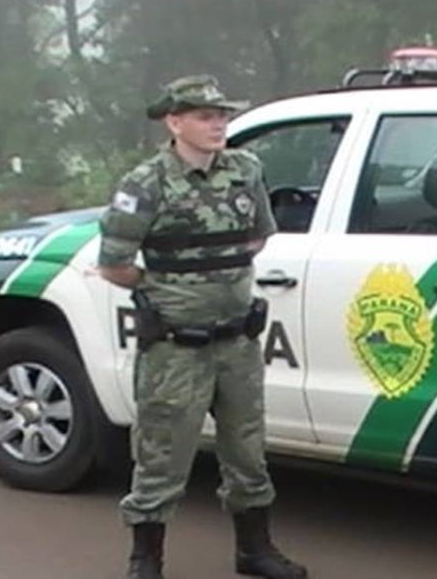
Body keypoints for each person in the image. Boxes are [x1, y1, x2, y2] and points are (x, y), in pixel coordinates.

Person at [96, 74, 307, 579]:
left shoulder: (245, 169)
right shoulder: (144, 184)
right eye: (205, 116)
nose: (218, 125)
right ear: (175, 122)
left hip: (237, 341)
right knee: (162, 456)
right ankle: (145, 560)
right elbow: (115, 264)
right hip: (176, 347)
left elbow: (258, 236)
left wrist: (216, 275)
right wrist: (174, 287)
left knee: (248, 452)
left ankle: (254, 551)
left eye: (222, 116)